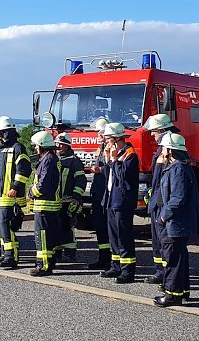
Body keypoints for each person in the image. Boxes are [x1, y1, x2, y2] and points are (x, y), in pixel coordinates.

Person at [154, 132, 199, 307]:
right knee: (179, 257)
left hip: (174, 223)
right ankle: (181, 291)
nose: (162, 151)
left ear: (170, 150)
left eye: (164, 148)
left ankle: (172, 294)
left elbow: (178, 198)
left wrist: (163, 216)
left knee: (172, 258)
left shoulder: (178, 169)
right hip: (175, 222)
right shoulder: (177, 167)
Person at [141, 113, 180, 285]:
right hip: (156, 202)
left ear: (163, 130)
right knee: (157, 240)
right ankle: (160, 272)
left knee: (165, 242)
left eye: (154, 132)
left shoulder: (172, 150)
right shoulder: (160, 151)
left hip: (162, 204)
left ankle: (166, 274)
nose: (152, 135)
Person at [99, 123, 139, 284]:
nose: (106, 142)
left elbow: (123, 178)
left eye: (108, 139)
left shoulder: (129, 154)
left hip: (123, 201)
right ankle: (115, 266)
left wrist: (115, 159)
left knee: (124, 237)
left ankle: (127, 271)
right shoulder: (116, 154)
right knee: (113, 236)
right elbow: (109, 176)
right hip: (112, 199)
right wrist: (109, 160)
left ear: (117, 139)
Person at [0, 116, 31, 269]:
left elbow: (24, 169)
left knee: (6, 226)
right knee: (1, 228)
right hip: (0, 195)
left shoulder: (18, 148)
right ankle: (5, 254)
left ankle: (11, 257)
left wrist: (15, 187)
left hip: (10, 196)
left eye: (1, 133)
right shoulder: (0, 149)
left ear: (9, 132)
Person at [27, 131, 62, 277]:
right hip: (49, 205)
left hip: (44, 205)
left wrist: (30, 192)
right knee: (49, 236)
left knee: (42, 237)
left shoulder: (48, 160)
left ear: (42, 145)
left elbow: (42, 185)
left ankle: (43, 266)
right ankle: (49, 262)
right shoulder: (51, 158)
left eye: (36, 146)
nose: (35, 148)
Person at [55, 132, 86, 262]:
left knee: (67, 227)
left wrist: (76, 197)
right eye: (57, 144)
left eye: (60, 145)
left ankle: (70, 252)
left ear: (66, 146)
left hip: (68, 201)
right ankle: (57, 252)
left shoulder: (74, 161)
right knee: (55, 227)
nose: (58, 147)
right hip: (55, 202)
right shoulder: (54, 159)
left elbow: (81, 181)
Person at [87, 118, 112, 270]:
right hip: (98, 194)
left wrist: (101, 170)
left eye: (99, 132)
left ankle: (109, 260)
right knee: (100, 229)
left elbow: (114, 171)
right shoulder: (102, 148)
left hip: (106, 195)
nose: (97, 134)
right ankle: (103, 258)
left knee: (107, 229)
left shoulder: (110, 149)